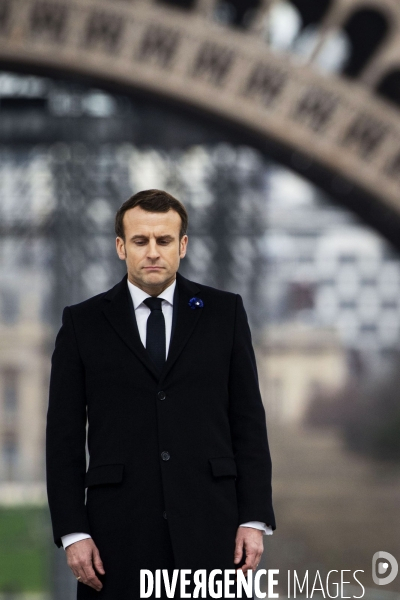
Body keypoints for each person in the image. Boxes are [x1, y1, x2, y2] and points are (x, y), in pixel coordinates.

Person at [46, 189, 276, 599]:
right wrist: (73, 531)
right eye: (140, 240)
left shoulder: (226, 314)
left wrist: (254, 519)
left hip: (213, 528)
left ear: (182, 245)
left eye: (164, 240)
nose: (152, 251)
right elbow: (62, 436)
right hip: (115, 536)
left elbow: (248, 422)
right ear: (121, 247)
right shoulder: (82, 324)